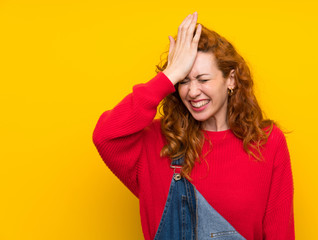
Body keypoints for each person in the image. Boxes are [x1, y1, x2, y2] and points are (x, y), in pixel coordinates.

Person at [92, 11, 294, 240]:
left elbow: (281, 234)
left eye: (203, 79)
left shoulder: (267, 142)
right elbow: (105, 136)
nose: (193, 91)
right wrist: (169, 76)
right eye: (184, 80)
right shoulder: (159, 142)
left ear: (231, 79)